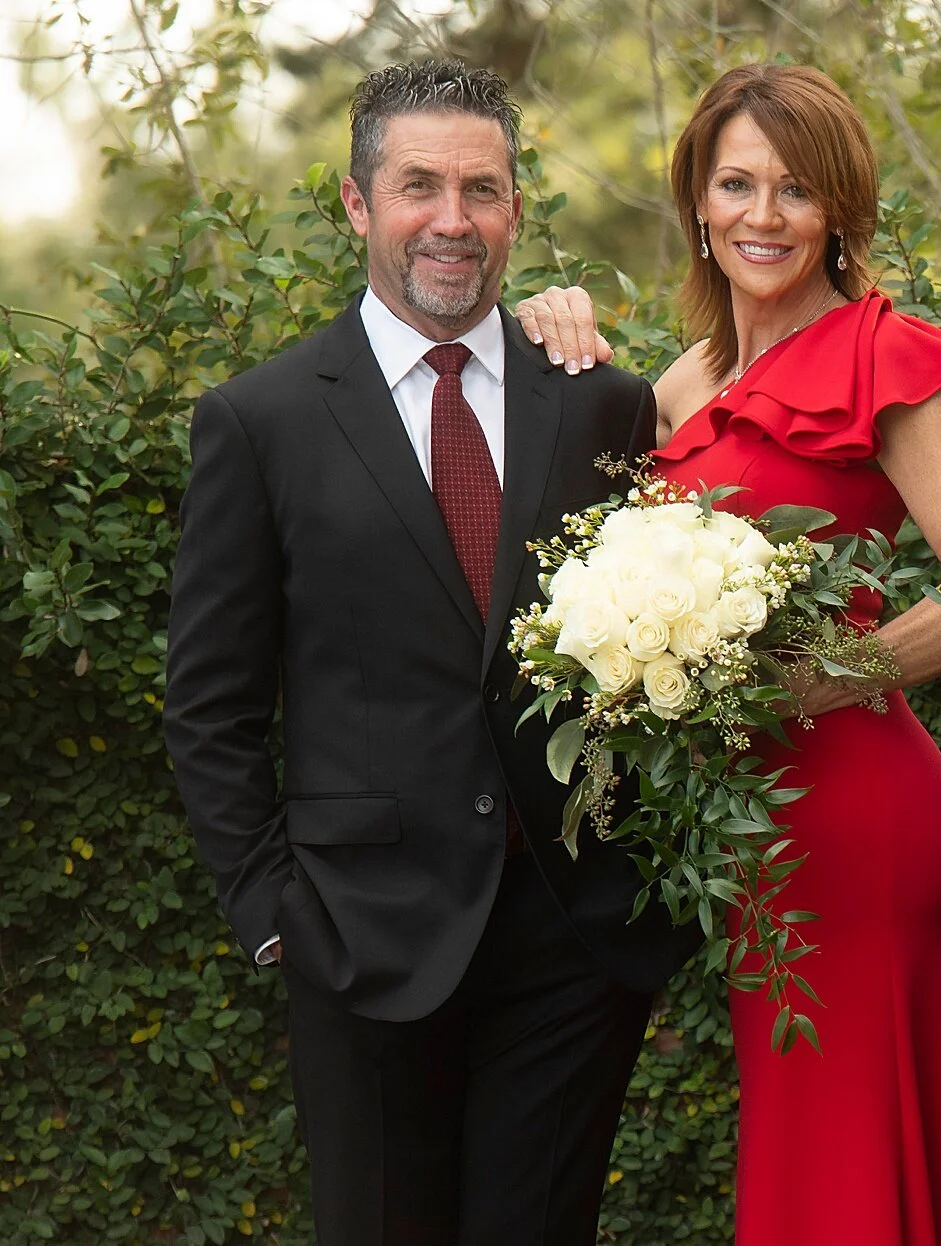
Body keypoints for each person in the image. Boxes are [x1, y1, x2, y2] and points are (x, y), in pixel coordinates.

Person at [163, 60, 692, 1246]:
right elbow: (210, 704)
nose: (452, 219)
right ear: (359, 203)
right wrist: (274, 913)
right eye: (419, 187)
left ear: (515, 209)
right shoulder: (262, 420)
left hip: (570, 940)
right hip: (358, 936)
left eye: (481, 189)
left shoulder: (599, 404)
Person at [515, 63, 941, 1246]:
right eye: (736, 184)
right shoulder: (683, 382)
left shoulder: (878, 352)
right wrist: (545, 322)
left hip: (854, 812)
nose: (763, 214)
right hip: (747, 826)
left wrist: (817, 678)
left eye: (796, 190)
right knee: (812, 1139)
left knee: (836, 1143)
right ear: (697, 203)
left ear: (838, 209)